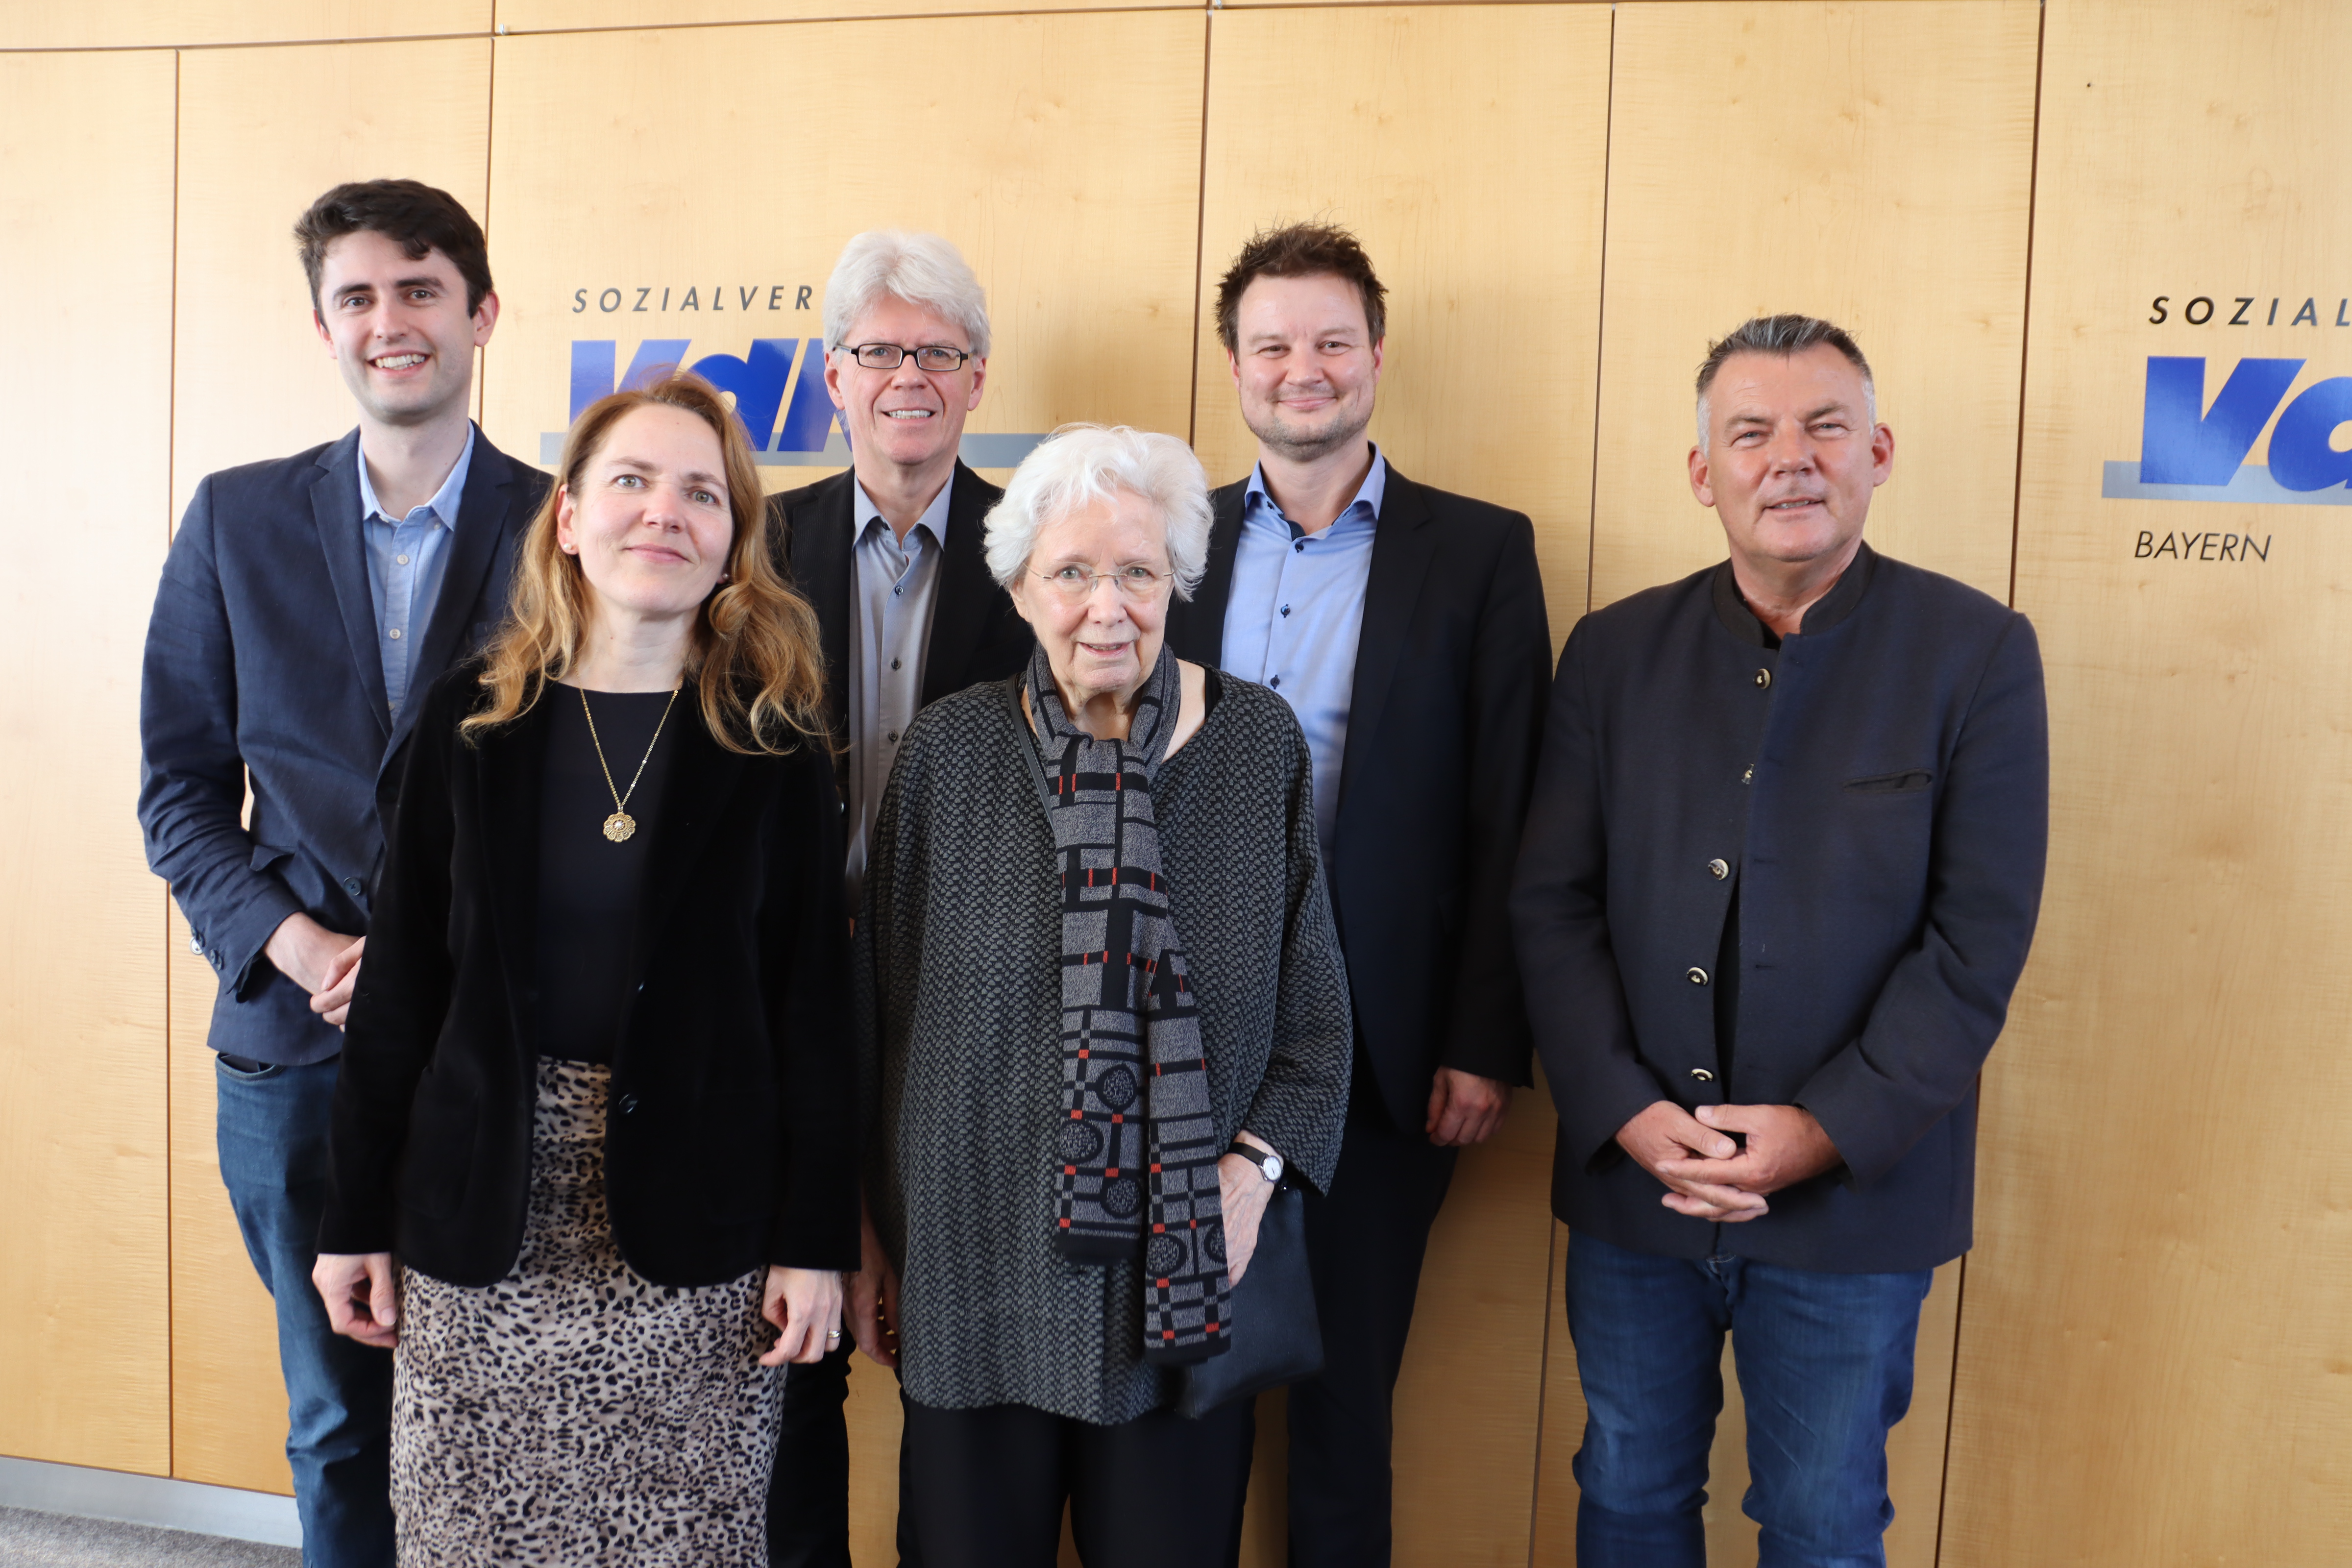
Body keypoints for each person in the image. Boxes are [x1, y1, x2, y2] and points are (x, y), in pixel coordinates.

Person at [1510, 315, 2048, 1567]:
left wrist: (1817, 1132)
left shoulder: (1976, 655)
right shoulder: (1613, 652)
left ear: (1880, 452)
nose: (1790, 459)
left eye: (1826, 427)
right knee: (1630, 1495)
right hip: (1639, 1182)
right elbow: (1552, 903)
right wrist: (1629, 1112)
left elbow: (1976, 943)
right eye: (1751, 432)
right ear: (1706, 472)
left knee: (1820, 1520)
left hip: (1855, 1196)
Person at [311, 371, 858, 1566]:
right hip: (481, 1214)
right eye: (631, 480)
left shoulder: (773, 741)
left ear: (732, 543)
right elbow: (400, 995)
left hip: (697, 1232)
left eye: (701, 493)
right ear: (568, 517)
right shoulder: (471, 721)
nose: (664, 511)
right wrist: (351, 1217)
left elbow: (817, 1014)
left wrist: (817, 1241)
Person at [855, 424, 1354, 1568]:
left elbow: (1318, 1023)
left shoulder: (1257, 744)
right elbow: (878, 1017)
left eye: (1137, 570)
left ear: (1179, 579)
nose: (1106, 606)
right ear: (1022, 588)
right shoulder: (948, 751)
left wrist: (1253, 1172)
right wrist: (870, 1227)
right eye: (1070, 572)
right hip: (970, 1268)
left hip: (1178, 1280)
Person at [137, 178, 541, 1568]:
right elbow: (179, 792)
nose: (391, 323)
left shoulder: (568, 532)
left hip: (504, 1046)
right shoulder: (236, 520)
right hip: (291, 1049)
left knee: (502, 1413)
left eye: (421, 291)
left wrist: (451, 963)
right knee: (338, 1420)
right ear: (324, 326)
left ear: (482, 312)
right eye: (359, 297)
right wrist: (304, 950)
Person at [1161, 221, 1553, 1567]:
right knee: (1176, 1413)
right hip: (1180, 1050)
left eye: (1331, 341)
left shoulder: (1483, 553)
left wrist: (1483, 1043)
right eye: (1273, 344)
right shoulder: (1173, 547)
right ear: (1235, 366)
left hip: (1386, 1060)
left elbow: (1516, 817)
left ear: (1376, 356)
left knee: (1345, 1411)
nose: (1303, 369)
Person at [762, 229, 1032, 1568]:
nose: (908, 377)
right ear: (833, 377)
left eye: (938, 353)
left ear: (979, 379)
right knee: (790, 1352)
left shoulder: (1041, 553)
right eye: (880, 352)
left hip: (961, 1018)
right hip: (786, 1008)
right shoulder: (751, 545)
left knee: (947, 1350)